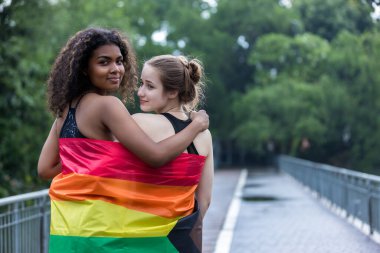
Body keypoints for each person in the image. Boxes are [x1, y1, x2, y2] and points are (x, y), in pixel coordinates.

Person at [37, 28, 209, 252]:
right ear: (84, 68)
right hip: (104, 233)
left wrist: (91, 158)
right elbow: (155, 156)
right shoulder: (107, 106)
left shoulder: (65, 110)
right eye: (104, 62)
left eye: (119, 61)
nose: (116, 69)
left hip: (70, 232)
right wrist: (196, 125)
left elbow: (45, 169)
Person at [132, 54, 214, 252]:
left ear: (172, 92)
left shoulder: (139, 123)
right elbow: (204, 200)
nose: (140, 92)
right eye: (141, 84)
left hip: (143, 239)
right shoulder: (204, 135)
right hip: (183, 241)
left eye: (150, 86)